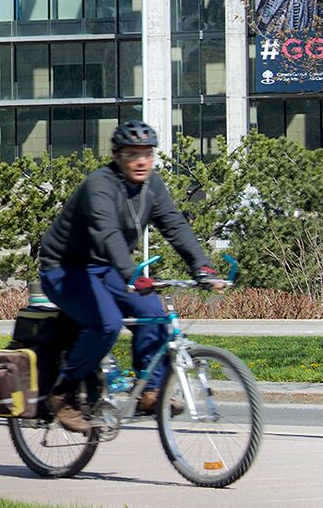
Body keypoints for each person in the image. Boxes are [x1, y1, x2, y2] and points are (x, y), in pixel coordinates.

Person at [36, 120, 226, 432]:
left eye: (147, 154)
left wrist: (202, 266)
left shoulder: (153, 186)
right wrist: (131, 274)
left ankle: (150, 392)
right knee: (106, 323)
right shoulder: (99, 186)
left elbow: (175, 226)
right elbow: (107, 233)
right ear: (117, 156)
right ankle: (63, 393)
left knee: (152, 311)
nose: (141, 161)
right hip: (64, 268)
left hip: (105, 268)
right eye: (132, 154)